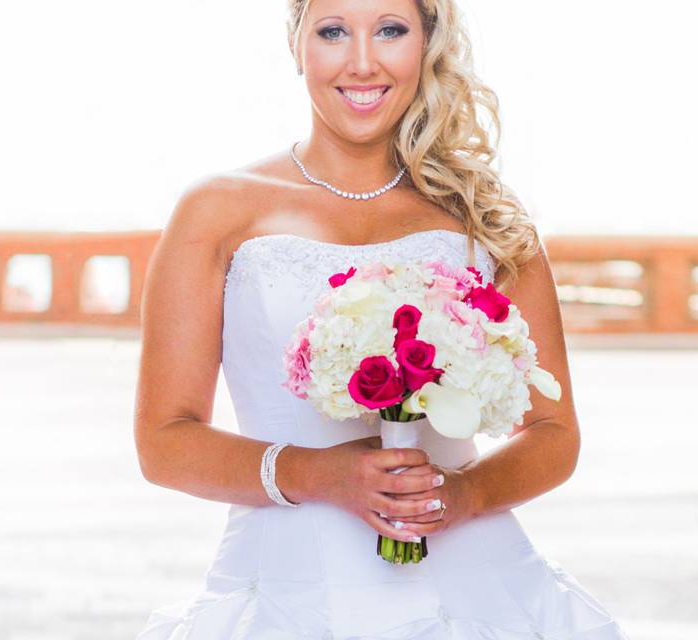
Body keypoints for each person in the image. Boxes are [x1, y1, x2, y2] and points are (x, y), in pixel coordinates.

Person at [132, 1, 630, 638]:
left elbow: (555, 432)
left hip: (474, 586)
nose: (362, 62)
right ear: (296, 44)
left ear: (426, 43)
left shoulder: (484, 215)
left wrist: (462, 494)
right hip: (290, 593)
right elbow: (164, 443)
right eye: (333, 31)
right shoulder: (217, 211)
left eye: (391, 30)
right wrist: (321, 474)